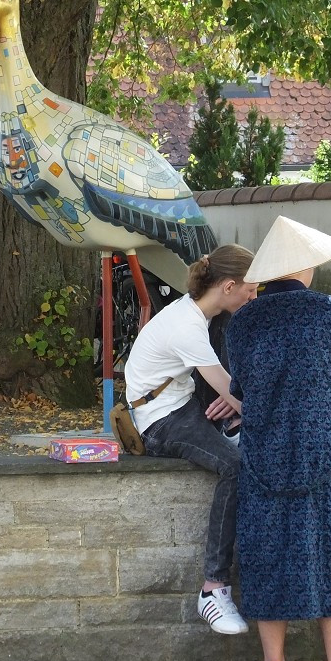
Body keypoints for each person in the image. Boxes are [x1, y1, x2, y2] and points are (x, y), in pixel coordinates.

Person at [225, 216, 331, 661]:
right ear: (306, 268)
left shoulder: (244, 321)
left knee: (265, 550)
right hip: (329, 454)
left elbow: (241, 384)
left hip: (264, 451)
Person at [124, 244, 257, 635]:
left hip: (180, 405)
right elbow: (232, 392)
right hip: (161, 421)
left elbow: (230, 396)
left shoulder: (197, 313)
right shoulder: (187, 326)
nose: (254, 296)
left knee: (241, 443)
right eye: (250, 289)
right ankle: (213, 588)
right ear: (229, 286)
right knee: (235, 467)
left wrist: (231, 408)